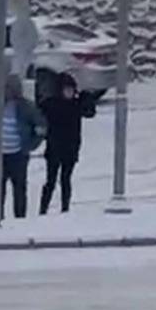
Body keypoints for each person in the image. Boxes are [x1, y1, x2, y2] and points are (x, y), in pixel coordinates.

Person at [39, 73, 96, 214]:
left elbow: (90, 112)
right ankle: (43, 209)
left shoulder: (76, 105)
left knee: (65, 179)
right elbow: (40, 110)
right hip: (54, 148)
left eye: (71, 90)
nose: (69, 93)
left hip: (70, 148)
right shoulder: (52, 104)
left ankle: (65, 208)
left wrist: (87, 96)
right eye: (66, 90)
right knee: (50, 181)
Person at [0, 75, 45, 220]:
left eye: (9, 88)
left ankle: (20, 219)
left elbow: (41, 127)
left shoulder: (26, 107)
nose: (6, 91)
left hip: (18, 155)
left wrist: (30, 145)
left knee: (19, 189)